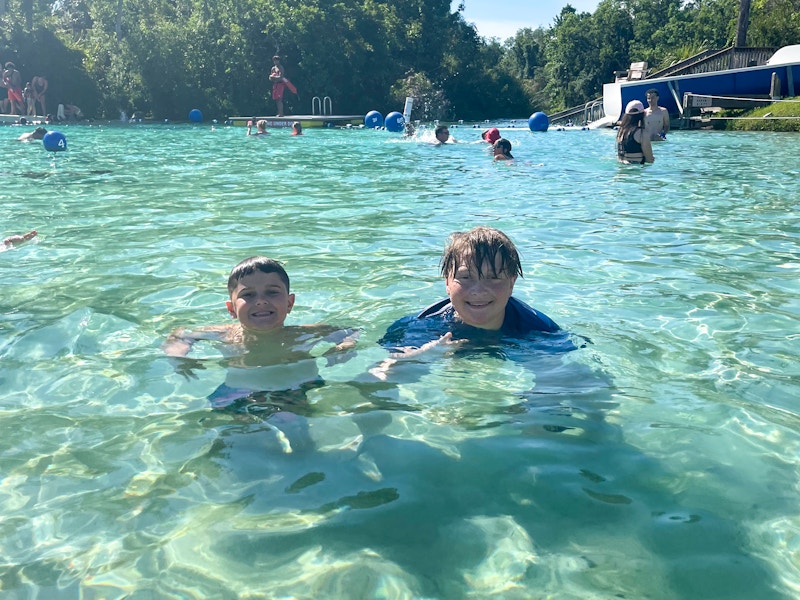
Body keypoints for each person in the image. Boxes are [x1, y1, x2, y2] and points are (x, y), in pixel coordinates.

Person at [163, 256, 357, 413]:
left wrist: (344, 347)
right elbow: (180, 335)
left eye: (272, 292)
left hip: (292, 392)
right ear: (231, 309)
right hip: (237, 391)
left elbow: (350, 331)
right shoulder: (226, 335)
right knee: (220, 433)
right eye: (248, 295)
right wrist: (178, 356)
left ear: (289, 303)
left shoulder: (301, 334)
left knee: (300, 440)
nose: (261, 301)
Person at [377, 227, 566, 364]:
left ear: (512, 283)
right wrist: (423, 356)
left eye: (493, 277)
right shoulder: (422, 326)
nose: (478, 290)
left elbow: (569, 383)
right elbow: (382, 373)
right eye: (465, 277)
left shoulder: (540, 331)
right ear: (447, 283)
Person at [616, 100, 654, 165]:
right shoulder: (642, 133)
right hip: (636, 168)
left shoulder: (621, 131)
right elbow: (649, 159)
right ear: (642, 115)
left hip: (622, 168)